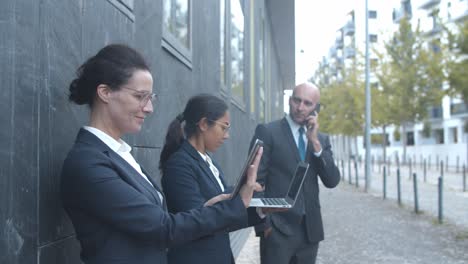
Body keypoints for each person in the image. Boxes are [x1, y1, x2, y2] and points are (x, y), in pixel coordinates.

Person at [60, 44, 263, 264]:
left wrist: (210, 208)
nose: (149, 108)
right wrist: (235, 205)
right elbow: (162, 228)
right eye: (140, 97)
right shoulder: (88, 163)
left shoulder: (118, 154)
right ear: (105, 93)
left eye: (150, 98)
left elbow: (156, 224)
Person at [159, 94, 264, 264]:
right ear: (203, 124)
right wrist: (236, 202)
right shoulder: (179, 165)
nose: (227, 135)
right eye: (224, 128)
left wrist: (260, 210)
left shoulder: (208, 161)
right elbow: (198, 222)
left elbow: (223, 219)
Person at [250, 82, 340, 264]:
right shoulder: (268, 132)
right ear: (289, 101)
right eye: (296, 101)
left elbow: (332, 180)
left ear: (317, 109)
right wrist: (263, 226)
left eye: (308, 103)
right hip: (276, 231)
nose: (300, 108)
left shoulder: (320, 140)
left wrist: (315, 143)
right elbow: (254, 180)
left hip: (310, 231)